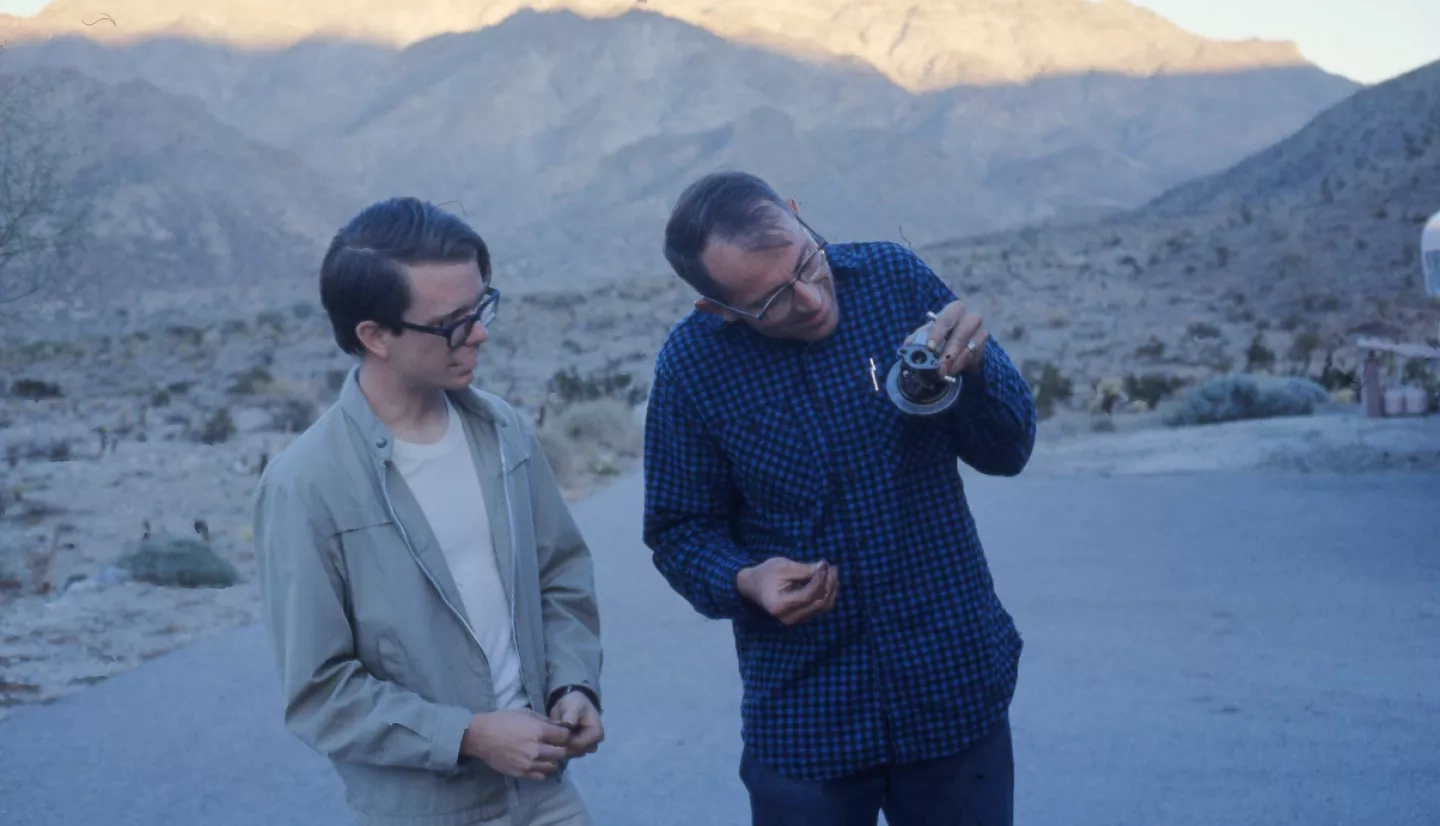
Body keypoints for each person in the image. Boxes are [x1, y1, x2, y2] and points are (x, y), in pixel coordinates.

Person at [641, 171, 1037, 826]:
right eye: (771, 302)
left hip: (953, 684)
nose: (810, 299)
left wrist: (980, 368)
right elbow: (679, 532)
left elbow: (1009, 448)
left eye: (806, 262)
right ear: (718, 309)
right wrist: (745, 579)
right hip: (807, 715)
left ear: (798, 215)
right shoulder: (691, 367)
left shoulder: (896, 279)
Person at [252, 197, 604, 826]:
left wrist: (571, 685)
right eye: (453, 322)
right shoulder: (304, 486)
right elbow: (319, 694)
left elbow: (561, 577)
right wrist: (469, 735)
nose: (481, 334)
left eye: (482, 308)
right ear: (375, 335)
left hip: (548, 794)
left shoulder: (505, 433)